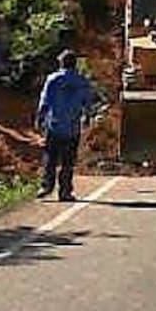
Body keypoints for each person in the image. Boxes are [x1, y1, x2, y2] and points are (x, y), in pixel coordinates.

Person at [35, 50, 93, 202]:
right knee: (68, 161)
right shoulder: (82, 81)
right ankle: (65, 191)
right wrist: (87, 117)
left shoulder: (53, 79)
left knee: (50, 157)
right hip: (73, 127)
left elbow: (45, 100)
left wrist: (39, 118)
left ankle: (46, 186)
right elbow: (87, 103)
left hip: (54, 124)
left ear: (61, 63)